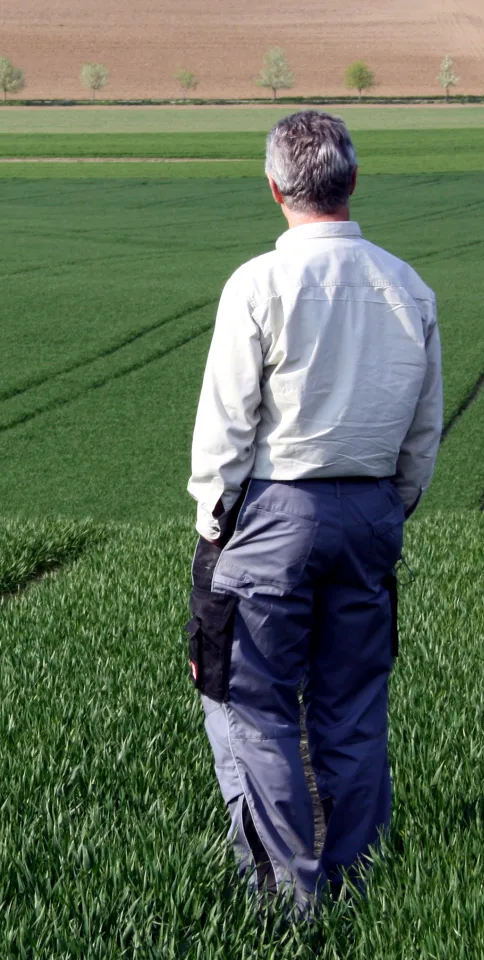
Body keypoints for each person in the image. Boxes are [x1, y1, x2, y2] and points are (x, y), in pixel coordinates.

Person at [186, 110, 443, 908]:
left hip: (271, 516)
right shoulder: (408, 285)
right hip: (371, 515)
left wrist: (213, 529)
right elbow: (423, 431)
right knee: (354, 706)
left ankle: (288, 901)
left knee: (248, 703)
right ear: (352, 181)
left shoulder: (258, 284)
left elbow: (225, 431)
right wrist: (387, 510)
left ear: (275, 189)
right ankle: (357, 886)